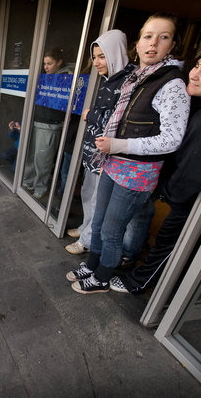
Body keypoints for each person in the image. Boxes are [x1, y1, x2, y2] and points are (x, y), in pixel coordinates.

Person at [109, 37, 201, 294]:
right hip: (176, 193)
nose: (195, 74)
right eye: (197, 66)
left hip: (186, 201)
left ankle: (140, 282)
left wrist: (166, 192)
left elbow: (192, 174)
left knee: (167, 245)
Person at [67, 13, 190, 294]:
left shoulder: (172, 84)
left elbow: (172, 140)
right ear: (138, 43)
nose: (153, 44)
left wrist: (119, 145)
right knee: (98, 224)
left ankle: (101, 278)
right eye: (148, 36)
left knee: (111, 231)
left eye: (164, 37)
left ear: (171, 45)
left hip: (136, 174)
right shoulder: (137, 77)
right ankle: (93, 264)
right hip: (113, 164)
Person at [65, 30, 136, 255]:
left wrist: (91, 115)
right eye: (94, 57)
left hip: (109, 156)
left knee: (98, 201)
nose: (96, 62)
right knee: (88, 194)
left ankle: (87, 240)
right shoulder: (108, 79)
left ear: (116, 53)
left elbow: (121, 121)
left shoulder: (129, 80)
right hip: (94, 153)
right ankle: (86, 228)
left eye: (102, 56)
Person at [23, 47, 73, 199]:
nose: (46, 67)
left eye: (49, 63)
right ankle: (28, 182)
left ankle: (40, 188)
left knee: (43, 160)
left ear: (59, 62)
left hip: (51, 124)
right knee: (31, 156)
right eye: (44, 64)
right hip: (37, 120)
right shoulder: (44, 78)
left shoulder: (67, 78)